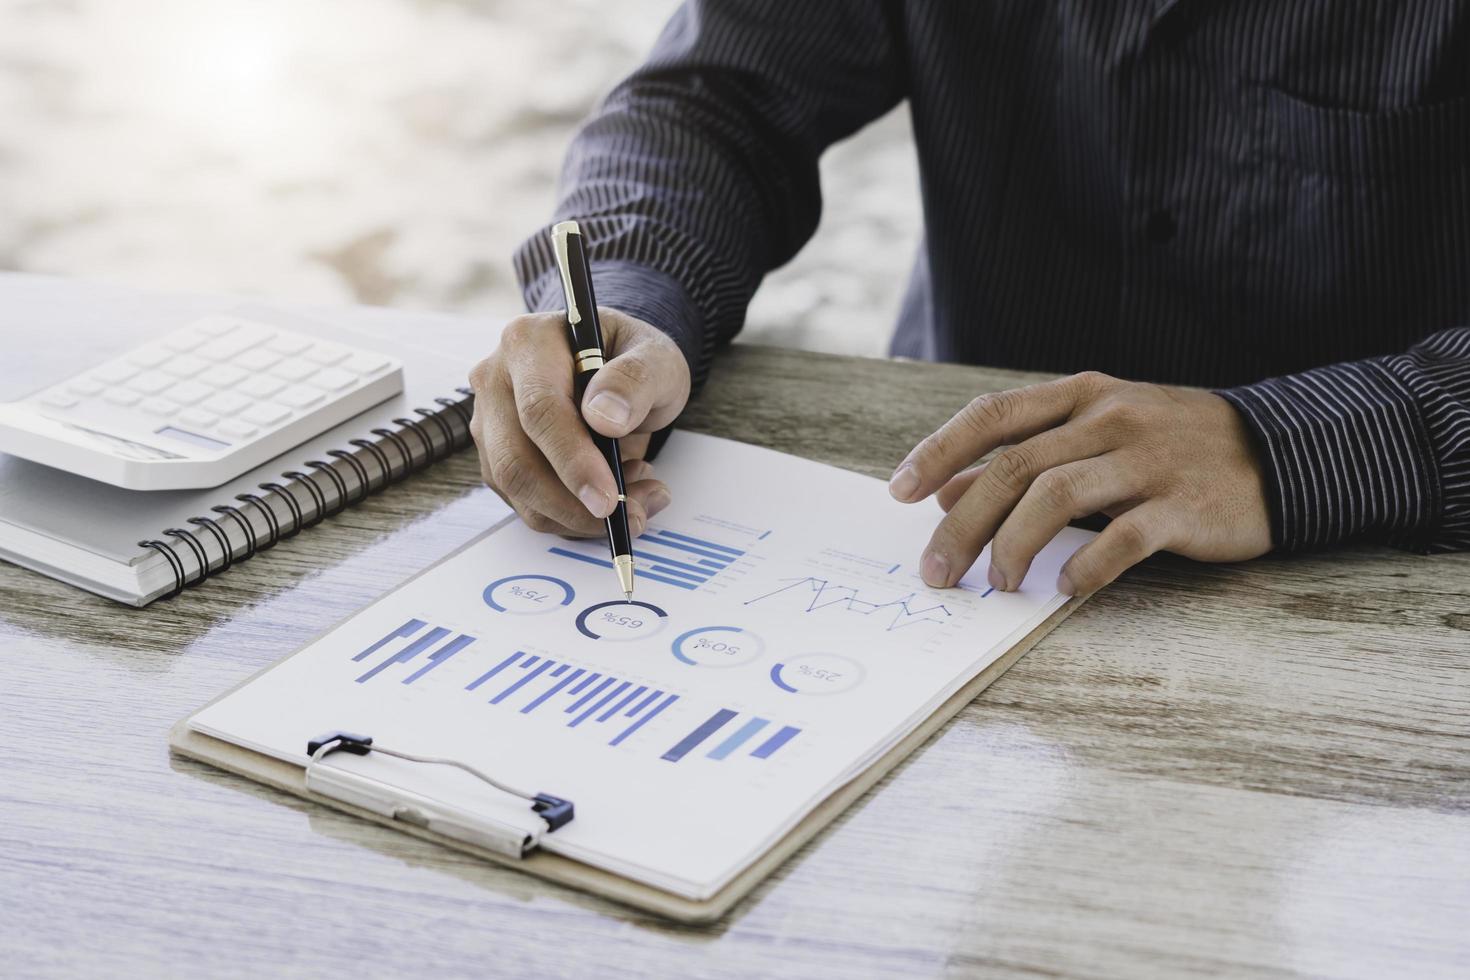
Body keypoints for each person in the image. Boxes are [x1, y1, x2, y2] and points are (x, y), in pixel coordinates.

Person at [469, 1, 1470, 596]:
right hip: (940, 515)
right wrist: (633, 296)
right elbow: (719, 97)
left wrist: (1288, 442)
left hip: (1365, 575)